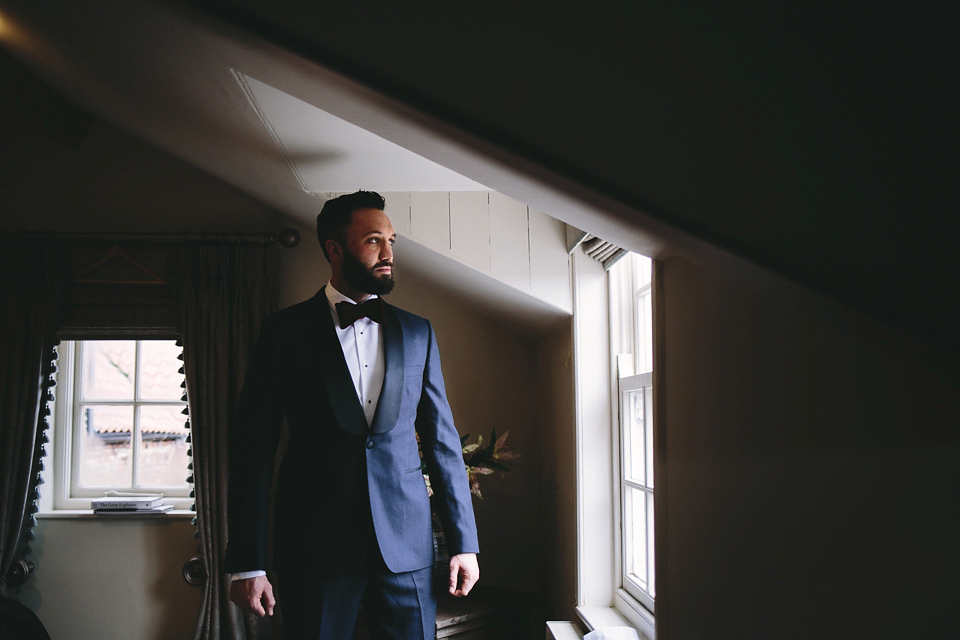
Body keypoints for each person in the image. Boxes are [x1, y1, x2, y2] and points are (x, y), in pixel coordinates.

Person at [224, 191, 480, 639]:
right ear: (334, 249)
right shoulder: (284, 333)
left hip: (406, 549)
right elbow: (253, 450)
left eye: (391, 241)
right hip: (314, 548)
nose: (389, 254)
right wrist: (247, 561)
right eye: (374, 241)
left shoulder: (418, 332)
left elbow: (442, 442)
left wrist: (465, 544)